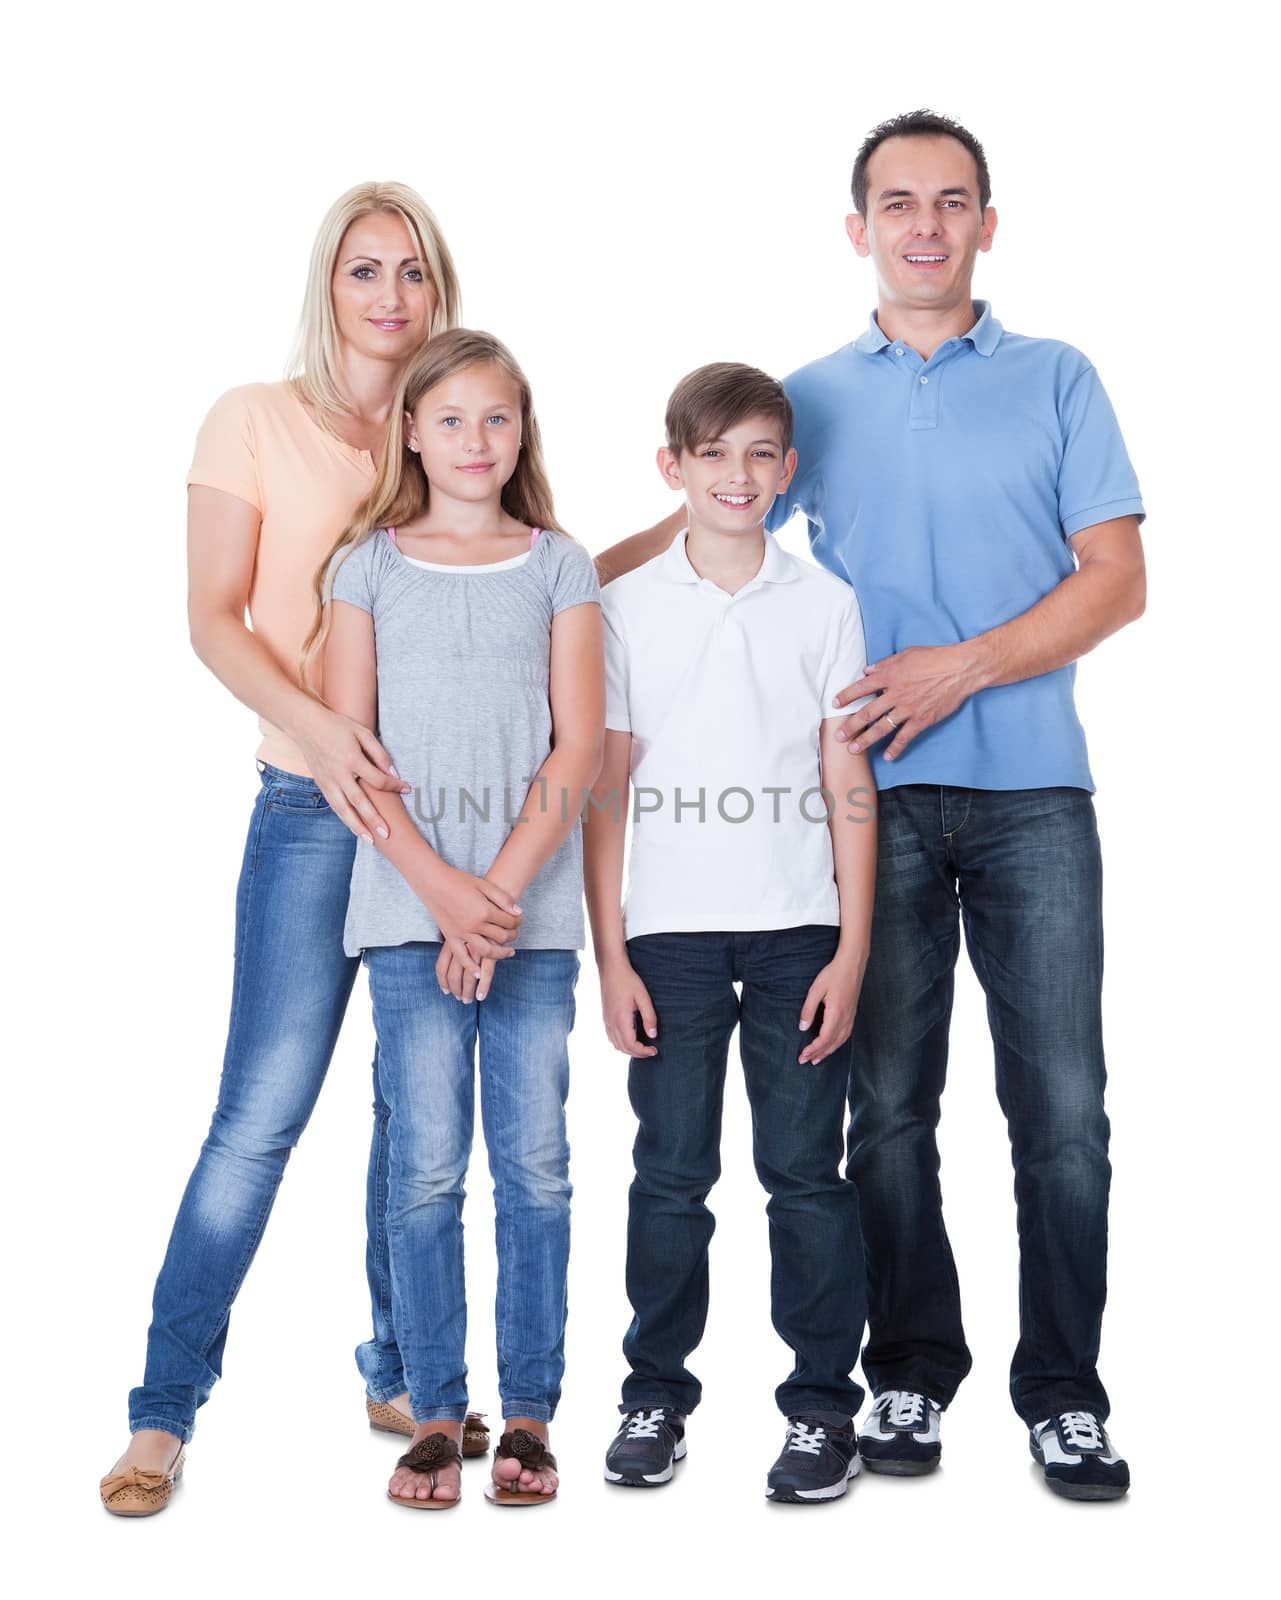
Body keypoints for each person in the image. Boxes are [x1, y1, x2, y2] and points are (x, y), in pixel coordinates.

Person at [596, 110, 1146, 1503]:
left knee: (1062, 1110)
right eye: (896, 202)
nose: (923, 223)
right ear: (858, 229)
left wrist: (962, 664)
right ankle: (905, 1375)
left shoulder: (1058, 379)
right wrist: (538, 573)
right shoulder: (807, 397)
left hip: (1032, 794)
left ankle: (1064, 1393)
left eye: (950, 200)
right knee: (887, 1111)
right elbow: (707, 532)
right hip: (869, 806)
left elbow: (1115, 581)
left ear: (984, 224)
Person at [99, 183, 497, 1519]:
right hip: (310, 812)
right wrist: (323, 734)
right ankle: (163, 1413)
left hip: (438, 824)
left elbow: (536, 574)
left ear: (439, 295)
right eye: (364, 270)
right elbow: (214, 620)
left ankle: (396, 1372)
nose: (390, 297)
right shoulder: (254, 420)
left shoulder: (457, 429)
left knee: (415, 1115)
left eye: (413, 274)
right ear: (328, 287)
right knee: (259, 1118)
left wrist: (690, 526)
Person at [314, 328, 603, 1508]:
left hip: (526, 927)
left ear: (521, 433)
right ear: (411, 433)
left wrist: (499, 901)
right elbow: (352, 755)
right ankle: (437, 1411)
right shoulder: (365, 568)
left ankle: (529, 1411)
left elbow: (576, 747)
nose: (476, 442)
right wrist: (442, 894)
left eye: (498, 419)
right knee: (426, 1170)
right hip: (403, 912)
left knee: (533, 1168)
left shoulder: (559, 565)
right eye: (451, 420)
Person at [585, 363, 876, 1503]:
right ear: (674, 469)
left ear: (787, 470)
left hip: (800, 926)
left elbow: (845, 776)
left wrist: (853, 947)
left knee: (806, 1173)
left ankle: (819, 1411)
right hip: (669, 938)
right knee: (670, 1173)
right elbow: (606, 785)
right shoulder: (625, 606)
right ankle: (653, 1395)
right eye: (713, 455)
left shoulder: (824, 603)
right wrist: (611, 952)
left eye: (760, 454)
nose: (738, 475)